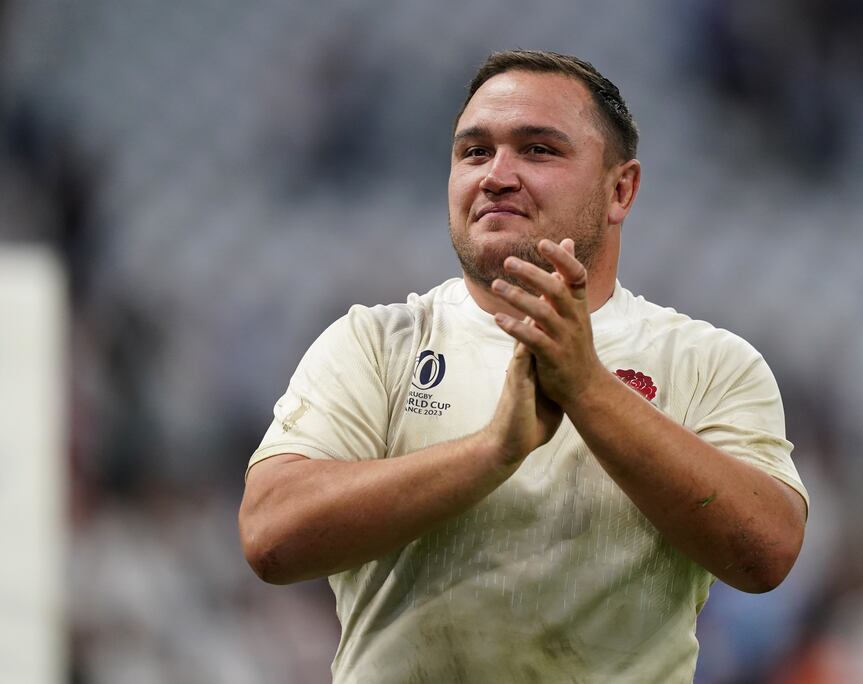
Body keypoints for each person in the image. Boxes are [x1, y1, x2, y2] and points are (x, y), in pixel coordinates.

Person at [239, 49, 808, 683]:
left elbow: (766, 554)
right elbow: (269, 535)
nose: (496, 175)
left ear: (620, 190)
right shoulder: (376, 342)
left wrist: (588, 389)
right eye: (474, 152)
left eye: (538, 150)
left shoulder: (708, 362)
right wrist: (492, 451)